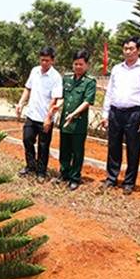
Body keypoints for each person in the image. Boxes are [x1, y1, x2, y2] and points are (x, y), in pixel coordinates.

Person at [98, 36, 140, 195]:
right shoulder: (117, 68)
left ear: (139, 50)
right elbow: (110, 92)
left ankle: (129, 182)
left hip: (134, 113)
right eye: (125, 49)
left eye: (131, 48)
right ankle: (111, 178)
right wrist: (105, 114)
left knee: (133, 148)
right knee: (113, 146)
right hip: (116, 112)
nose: (128, 52)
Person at [16, 47, 63, 183]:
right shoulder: (34, 71)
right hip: (32, 115)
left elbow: (54, 99)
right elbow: (28, 88)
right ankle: (30, 166)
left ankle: (41, 171)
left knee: (43, 145)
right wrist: (20, 103)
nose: (44, 63)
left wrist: (48, 118)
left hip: (45, 118)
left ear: (53, 61)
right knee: (27, 139)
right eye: (42, 60)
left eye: (47, 60)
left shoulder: (56, 78)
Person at [53, 50, 96, 191]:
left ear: (86, 65)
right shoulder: (67, 79)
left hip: (78, 123)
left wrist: (73, 114)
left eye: (81, 64)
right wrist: (57, 106)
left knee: (77, 152)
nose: (78, 67)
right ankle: (64, 174)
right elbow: (63, 97)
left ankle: (75, 177)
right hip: (65, 121)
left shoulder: (90, 82)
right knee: (64, 149)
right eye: (76, 64)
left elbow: (87, 102)